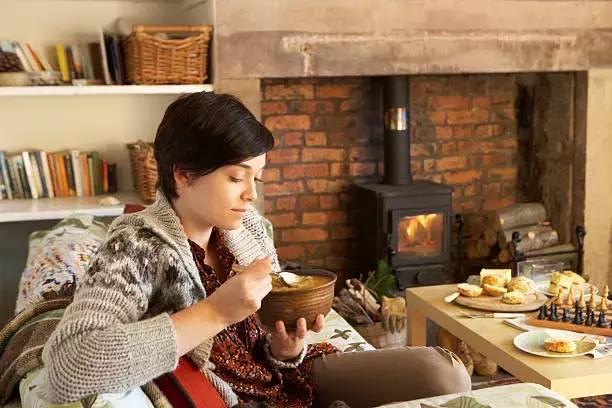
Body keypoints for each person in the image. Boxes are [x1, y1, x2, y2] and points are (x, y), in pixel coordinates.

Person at [41, 92, 470, 408]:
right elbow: (67, 366)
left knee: (445, 372)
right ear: (184, 174)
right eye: (236, 177)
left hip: (288, 376)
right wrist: (214, 313)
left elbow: (269, 338)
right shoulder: (133, 246)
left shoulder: (248, 230)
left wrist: (285, 349)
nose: (250, 196)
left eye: (257, 180)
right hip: (239, 398)